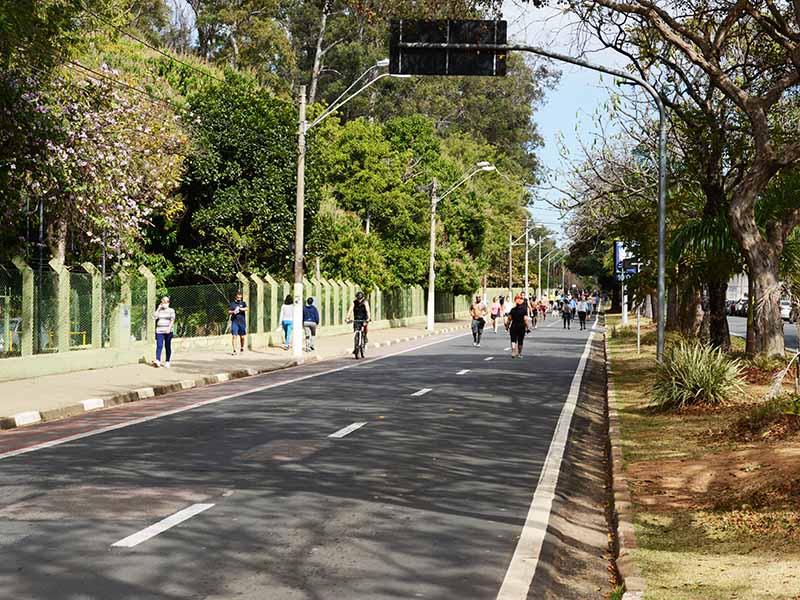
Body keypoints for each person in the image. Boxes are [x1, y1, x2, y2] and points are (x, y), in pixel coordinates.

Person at [153, 295, 175, 368]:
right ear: (161, 302)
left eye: (166, 301)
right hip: (159, 331)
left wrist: (169, 328)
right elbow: (154, 317)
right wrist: (158, 308)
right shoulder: (160, 310)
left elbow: (172, 320)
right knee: (159, 346)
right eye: (163, 301)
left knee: (167, 346)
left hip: (168, 331)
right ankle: (158, 360)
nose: (165, 303)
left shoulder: (171, 310)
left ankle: (167, 361)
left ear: (168, 302)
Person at [228, 290, 248, 355]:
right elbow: (229, 311)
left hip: (242, 322)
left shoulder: (243, 303)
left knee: (242, 337)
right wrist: (233, 312)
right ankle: (234, 350)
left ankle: (242, 348)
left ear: (241, 297)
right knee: (234, 336)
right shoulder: (232, 303)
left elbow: (247, 308)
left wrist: (240, 309)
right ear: (236, 297)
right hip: (235, 322)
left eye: (240, 297)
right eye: (238, 297)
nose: (239, 298)